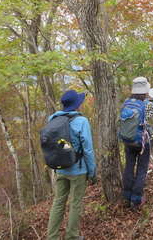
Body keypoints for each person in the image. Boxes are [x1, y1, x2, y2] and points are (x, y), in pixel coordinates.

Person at [47, 90, 96, 240]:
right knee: (75, 204)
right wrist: (92, 171)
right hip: (78, 170)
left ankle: (52, 236)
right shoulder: (82, 121)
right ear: (77, 104)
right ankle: (72, 236)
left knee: (58, 202)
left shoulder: (53, 118)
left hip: (60, 168)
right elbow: (87, 149)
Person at [121, 77, 153, 209]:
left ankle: (126, 195)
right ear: (145, 90)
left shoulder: (126, 102)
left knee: (129, 167)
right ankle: (136, 200)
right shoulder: (146, 104)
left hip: (128, 140)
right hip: (143, 142)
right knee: (142, 169)